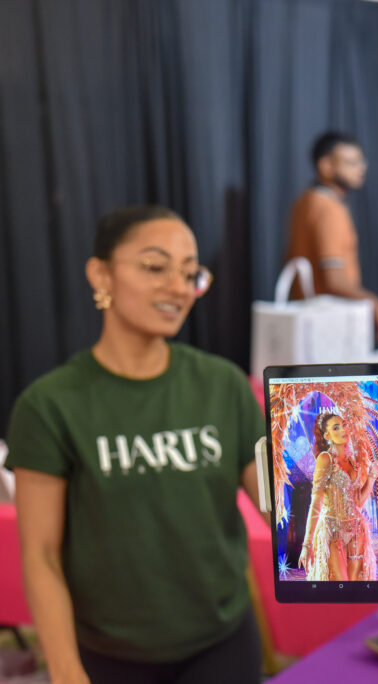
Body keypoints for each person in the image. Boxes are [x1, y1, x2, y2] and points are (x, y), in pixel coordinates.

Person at [6, 205, 267, 683]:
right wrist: (64, 667)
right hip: (108, 656)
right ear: (100, 273)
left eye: (191, 274)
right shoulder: (49, 406)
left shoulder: (222, 385)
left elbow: (280, 506)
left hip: (222, 644)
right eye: (154, 266)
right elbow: (40, 555)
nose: (178, 287)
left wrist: (370, 495)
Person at [284, 130, 378, 343]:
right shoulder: (329, 208)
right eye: (351, 163)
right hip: (328, 326)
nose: (361, 169)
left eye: (361, 162)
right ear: (325, 165)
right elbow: (335, 279)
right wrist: (376, 304)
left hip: (306, 323)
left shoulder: (304, 201)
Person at [298, 411, 378, 582]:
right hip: (333, 531)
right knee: (340, 583)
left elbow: (357, 502)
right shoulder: (325, 459)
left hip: (357, 530)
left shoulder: (352, 461)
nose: (343, 430)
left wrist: (372, 477)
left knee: (357, 584)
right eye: (336, 428)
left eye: (344, 425)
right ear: (327, 435)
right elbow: (316, 501)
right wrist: (307, 544)